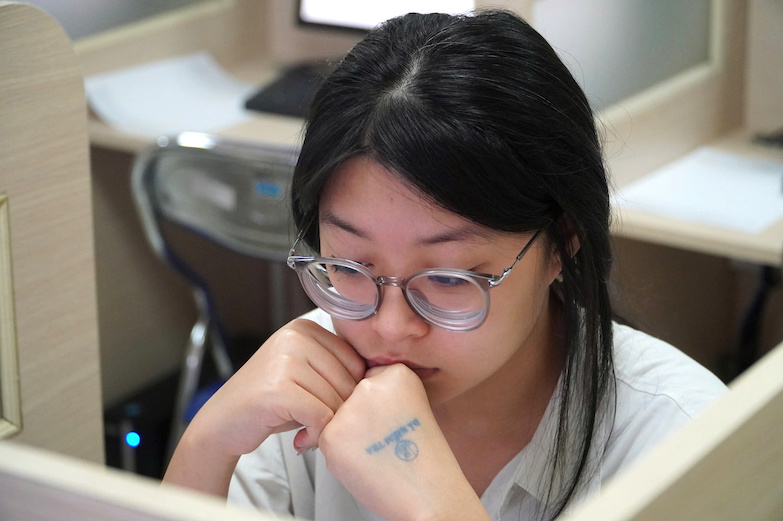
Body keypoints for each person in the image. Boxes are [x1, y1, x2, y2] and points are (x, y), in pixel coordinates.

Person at [163, 9, 727, 521]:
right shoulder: (298, 384)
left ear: (562, 244)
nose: (388, 327)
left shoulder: (683, 439)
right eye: (349, 266)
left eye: (449, 279)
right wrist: (207, 444)